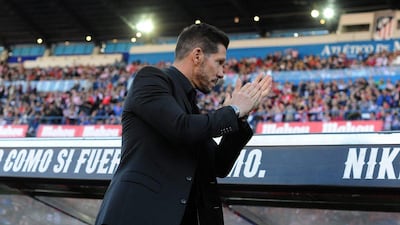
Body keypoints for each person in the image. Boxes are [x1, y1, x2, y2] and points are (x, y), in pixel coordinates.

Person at [95, 23, 272, 225]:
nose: (222, 73)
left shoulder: (192, 109)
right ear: (197, 56)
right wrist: (232, 110)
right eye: (219, 62)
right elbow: (181, 128)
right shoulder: (151, 79)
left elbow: (219, 166)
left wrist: (239, 118)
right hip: (137, 215)